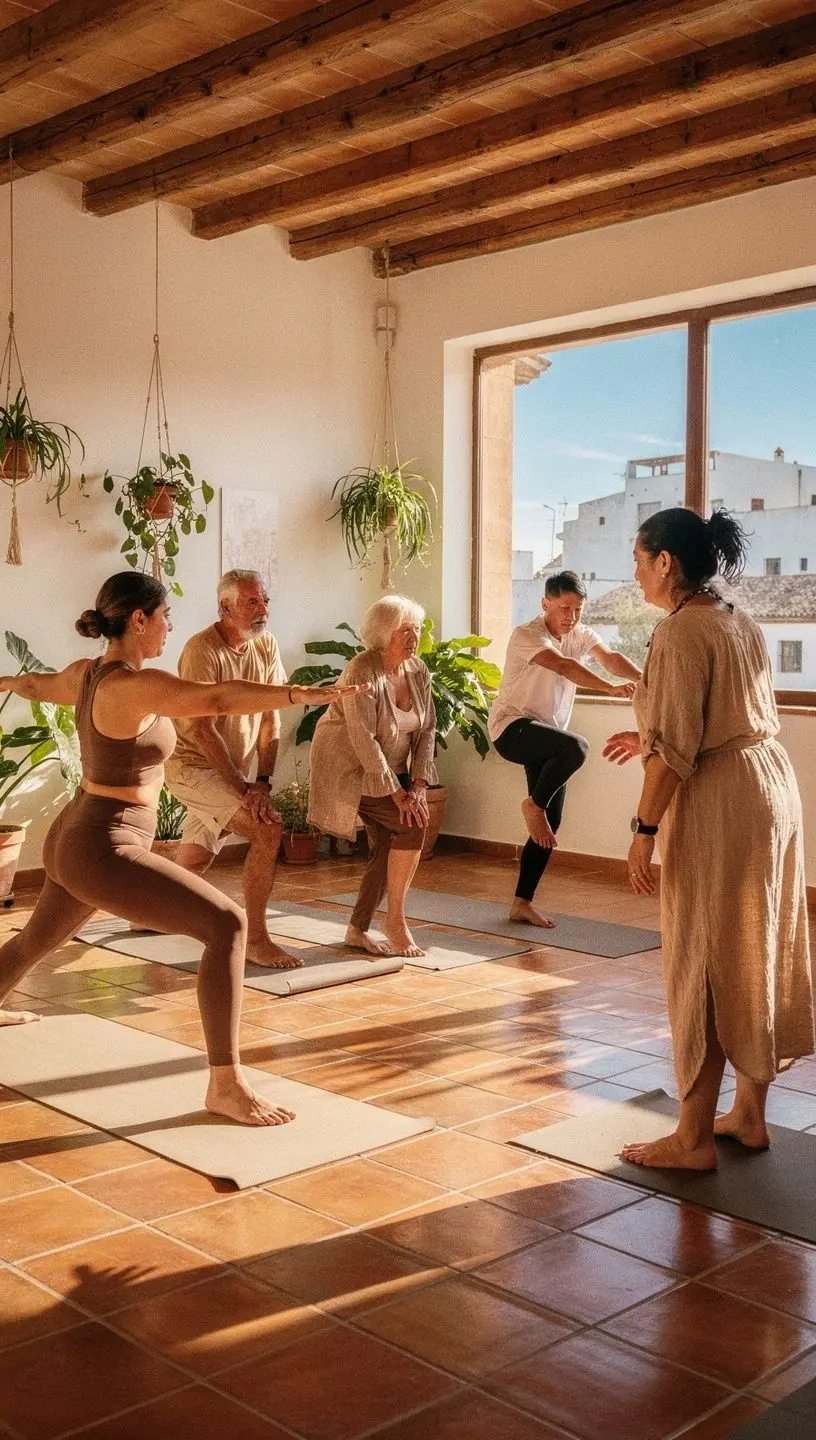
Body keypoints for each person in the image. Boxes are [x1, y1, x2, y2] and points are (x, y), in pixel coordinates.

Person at [0, 572, 368, 1127]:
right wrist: (298, 694)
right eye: (165, 615)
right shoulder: (129, 684)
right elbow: (215, 698)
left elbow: (36, 684)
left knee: (35, 941)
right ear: (139, 620)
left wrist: (4, 680)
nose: (171, 625)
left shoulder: (86, 674)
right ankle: (227, 1085)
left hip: (74, 833)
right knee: (227, 926)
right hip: (103, 842)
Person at [603, 508, 814, 1171]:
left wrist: (643, 832)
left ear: (666, 561)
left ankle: (692, 1137)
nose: (634, 571)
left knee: (703, 955)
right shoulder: (734, 615)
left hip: (724, 798)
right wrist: (651, 737)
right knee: (759, 939)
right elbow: (713, 714)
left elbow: (675, 753)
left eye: (639, 559)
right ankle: (750, 1114)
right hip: (769, 784)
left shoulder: (681, 630)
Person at [489, 570, 640, 927]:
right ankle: (532, 805)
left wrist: (645, 680)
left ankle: (521, 902)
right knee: (577, 748)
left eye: (577, 609)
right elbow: (563, 665)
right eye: (563, 608)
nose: (571, 617)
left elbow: (610, 657)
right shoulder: (528, 635)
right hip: (511, 729)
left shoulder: (581, 633)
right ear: (545, 604)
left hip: (546, 736)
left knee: (549, 822)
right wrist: (608, 689)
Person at [165, 569, 295, 970]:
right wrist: (243, 790)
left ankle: (146, 914)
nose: (262, 611)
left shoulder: (266, 645)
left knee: (194, 860)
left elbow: (272, 718)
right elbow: (203, 731)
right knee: (267, 829)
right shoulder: (201, 650)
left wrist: (262, 782)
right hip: (193, 767)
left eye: (265, 601)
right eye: (252, 602)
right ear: (225, 607)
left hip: (232, 772)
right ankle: (256, 939)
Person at [308, 595, 436, 959]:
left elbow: (426, 730)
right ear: (383, 634)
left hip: (389, 770)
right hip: (349, 768)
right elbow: (362, 738)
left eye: (417, 629)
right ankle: (394, 919)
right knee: (411, 825)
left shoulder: (418, 671)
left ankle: (357, 929)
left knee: (385, 849)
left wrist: (420, 785)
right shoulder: (362, 670)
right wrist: (398, 794)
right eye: (404, 630)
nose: (413, 637)